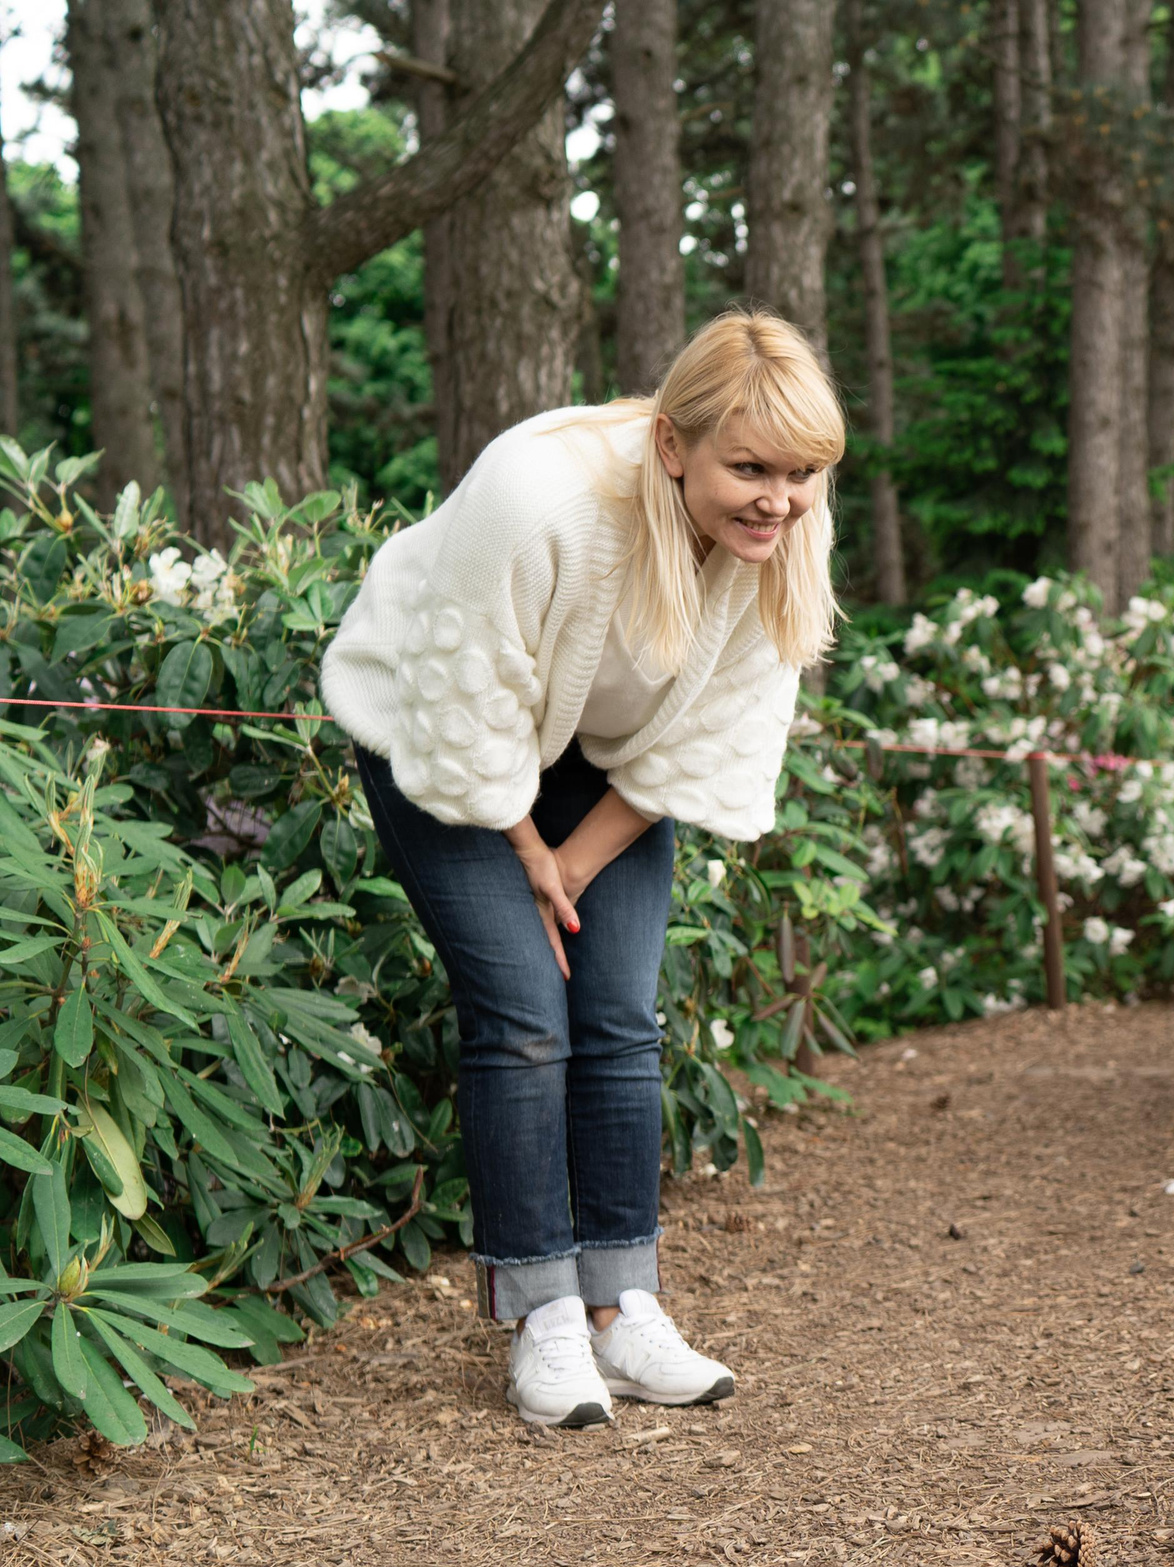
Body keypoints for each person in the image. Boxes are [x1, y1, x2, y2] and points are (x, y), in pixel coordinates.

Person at [320, 310, 843, 1429]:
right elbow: (468, 710)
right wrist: (525, 852)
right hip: (441, 734)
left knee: (617, 1014)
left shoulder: (788, 526)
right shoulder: (536, 492)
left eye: (802, 474)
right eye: (749, 468)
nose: (780, 498)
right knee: (521, 1017)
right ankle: (544, 1319)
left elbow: (715, 732)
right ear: (671, 446)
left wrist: (574, 854)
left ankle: (623, 1304)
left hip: (595, 768)